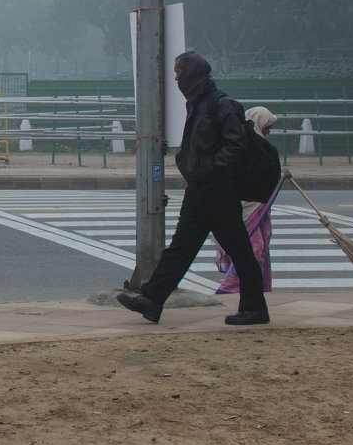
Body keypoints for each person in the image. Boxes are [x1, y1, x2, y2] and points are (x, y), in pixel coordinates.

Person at [117, 51, 269, 326]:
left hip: (219, 190)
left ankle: (255, 307)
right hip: (201, 189)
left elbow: (236, 146)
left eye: (178, 72)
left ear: (191, 74)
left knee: (239, 249)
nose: (175, 78)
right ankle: (152, 300)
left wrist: (205, 168)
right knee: (181, 247)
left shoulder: (220, 104)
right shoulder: (197, 103)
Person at [214, 107, 289, 295]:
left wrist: (280, 178)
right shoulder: (240, 147)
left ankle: (252, 292)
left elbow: (265, 178)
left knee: (252, 251)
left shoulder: (262, 149)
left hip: (254, 209)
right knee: (251, 252)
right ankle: (229, 290)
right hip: (243, 211)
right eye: (266, 128)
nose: (268, 133)